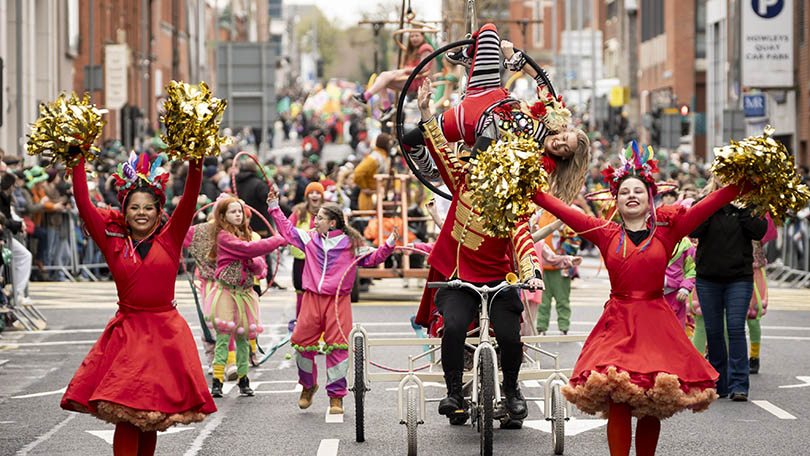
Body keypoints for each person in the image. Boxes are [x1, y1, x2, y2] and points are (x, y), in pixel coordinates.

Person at [532, 142, 750, 456]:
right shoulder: (604, 232)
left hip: (655, 323)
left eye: (638, 191)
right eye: (624, 192)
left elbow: (707, 205)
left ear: (650, 198)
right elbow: (562, 210)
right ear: (616, 201)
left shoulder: (667, 230)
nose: (631, 195)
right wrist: (531, 191)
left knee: (651, 402)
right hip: (618, 323)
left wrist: (740, 185)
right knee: (619, 400)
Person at [61, 150, 215, 456]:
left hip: (165, 336)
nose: (141, 213)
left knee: (150, 419)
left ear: (159, 212)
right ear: (125, 211)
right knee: (129, 416)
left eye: (148, 207)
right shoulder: (112, 241)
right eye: (134, 207)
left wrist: (196, 155)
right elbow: (83, 203)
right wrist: (76, 158)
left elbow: (189, 196)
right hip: (128, 336)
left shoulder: (170, 238)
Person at [410, 79, 545, 428]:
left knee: (510, 334)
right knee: (453, 327)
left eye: (486, 162)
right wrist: (426, 111)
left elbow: (522, 239)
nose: (479, 167)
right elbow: (440, 151)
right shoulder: (462, 182)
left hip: (500, 282)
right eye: (477, 160)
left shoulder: (510, 202)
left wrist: (532, 272)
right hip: (457, 280)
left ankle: (513, 390)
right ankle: (454, 390)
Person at [401, 24, 590, 206]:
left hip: (472, 124)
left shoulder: (537, 165)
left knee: (409, 140)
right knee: (489, 31)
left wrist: (438, 171)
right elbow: (542, 79)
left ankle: (430, 172)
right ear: (564, 131)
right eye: (564, 139)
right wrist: (515, 59)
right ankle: (470, 58)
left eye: (564, 149)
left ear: (564, 157)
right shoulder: (551, 118)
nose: (560, 144)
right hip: (488, 93)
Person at [267, 193, 399, 415]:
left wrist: (389, 244)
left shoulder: (351, 244)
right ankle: (308, 386)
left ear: (332, 222)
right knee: (301, 343)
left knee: (338, 347)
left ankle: (336, 398)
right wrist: (273, 207)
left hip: (338, 301)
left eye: (319, 218)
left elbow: (374, 258)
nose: (314, 221)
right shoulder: (309, 238)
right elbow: (287, 230)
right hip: (311, 299)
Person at [691, 178, 768, 402]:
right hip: (708, 279)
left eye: (733, 178)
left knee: (735, 328)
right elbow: (693, 229)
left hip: (739, 279)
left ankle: (739, 385)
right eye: (723, 177)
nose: (727, 181)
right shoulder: (704, 202)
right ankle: (718, 383)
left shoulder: (749, 204)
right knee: (714, 332)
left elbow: (758, 232)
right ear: (715, 179)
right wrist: (713, 204)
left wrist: (741, 207)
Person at [207, 197, 287, 398]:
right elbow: (248, 250)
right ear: (223, 215)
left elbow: (260, 267)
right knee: (224, 338)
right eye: (233, 211)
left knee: (243, 338)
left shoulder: (249, 236)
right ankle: (217, 381)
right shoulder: (223, 236)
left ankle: (244, 379)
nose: (238, 215)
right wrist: (280, 239)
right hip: (227, 292)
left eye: (240, 211)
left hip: (245, 294)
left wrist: (252, 262)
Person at [353, 31, 434, 112]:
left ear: (423, 37)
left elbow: (423, 68)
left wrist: (405, 70)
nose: (414, 38)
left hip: (417, 81)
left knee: (383, 78)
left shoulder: (425, 48)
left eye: (417, 35)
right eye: (412, 36)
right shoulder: (412, 50)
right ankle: (386, 107)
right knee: (381, 80)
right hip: (409, 78)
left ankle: (366, 96)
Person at [289, 182, 325, 316]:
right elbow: (287, 229)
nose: (314, 196)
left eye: (317, 193)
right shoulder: (299, 212)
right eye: (311, 193)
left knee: (319, 293)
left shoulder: (327, 212)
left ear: (322, 196)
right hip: (301, 259)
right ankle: (299, 323)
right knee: (300, 292)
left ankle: (318, 324)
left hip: (320, 260)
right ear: (307, 196)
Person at [748, 215, 776, 374]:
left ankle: (754, 357)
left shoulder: (759, 213)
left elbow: (766, 233)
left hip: (754, 272)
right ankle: (727, 357)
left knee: (753, 317)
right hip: (731, 270)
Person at [353, 133, 391, 211]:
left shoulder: (384, 157)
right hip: (370, 200)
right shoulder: (373, 158)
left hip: (380, 198)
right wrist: (365, 187)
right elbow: (358, 172)